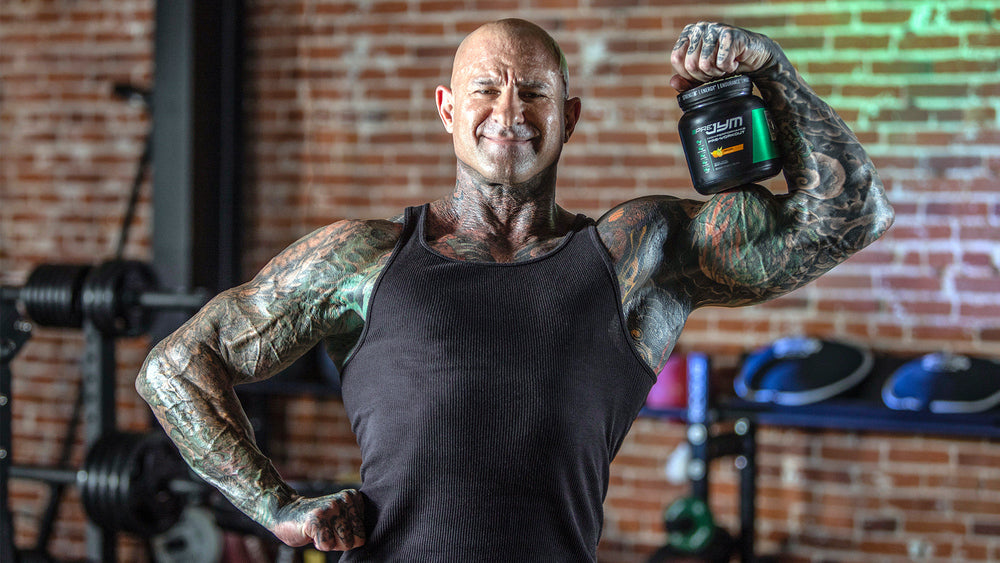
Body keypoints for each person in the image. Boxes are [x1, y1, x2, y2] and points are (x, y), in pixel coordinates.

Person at [136, 18, 893, 561]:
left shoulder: (639, 254)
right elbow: (175, 367)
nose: (509, 112)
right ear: (447, 110)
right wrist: (275, 506)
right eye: (486, 89)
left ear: (569, 117)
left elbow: (851, 217)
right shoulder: (362, 258)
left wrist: (773, 72)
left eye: (533, 92)